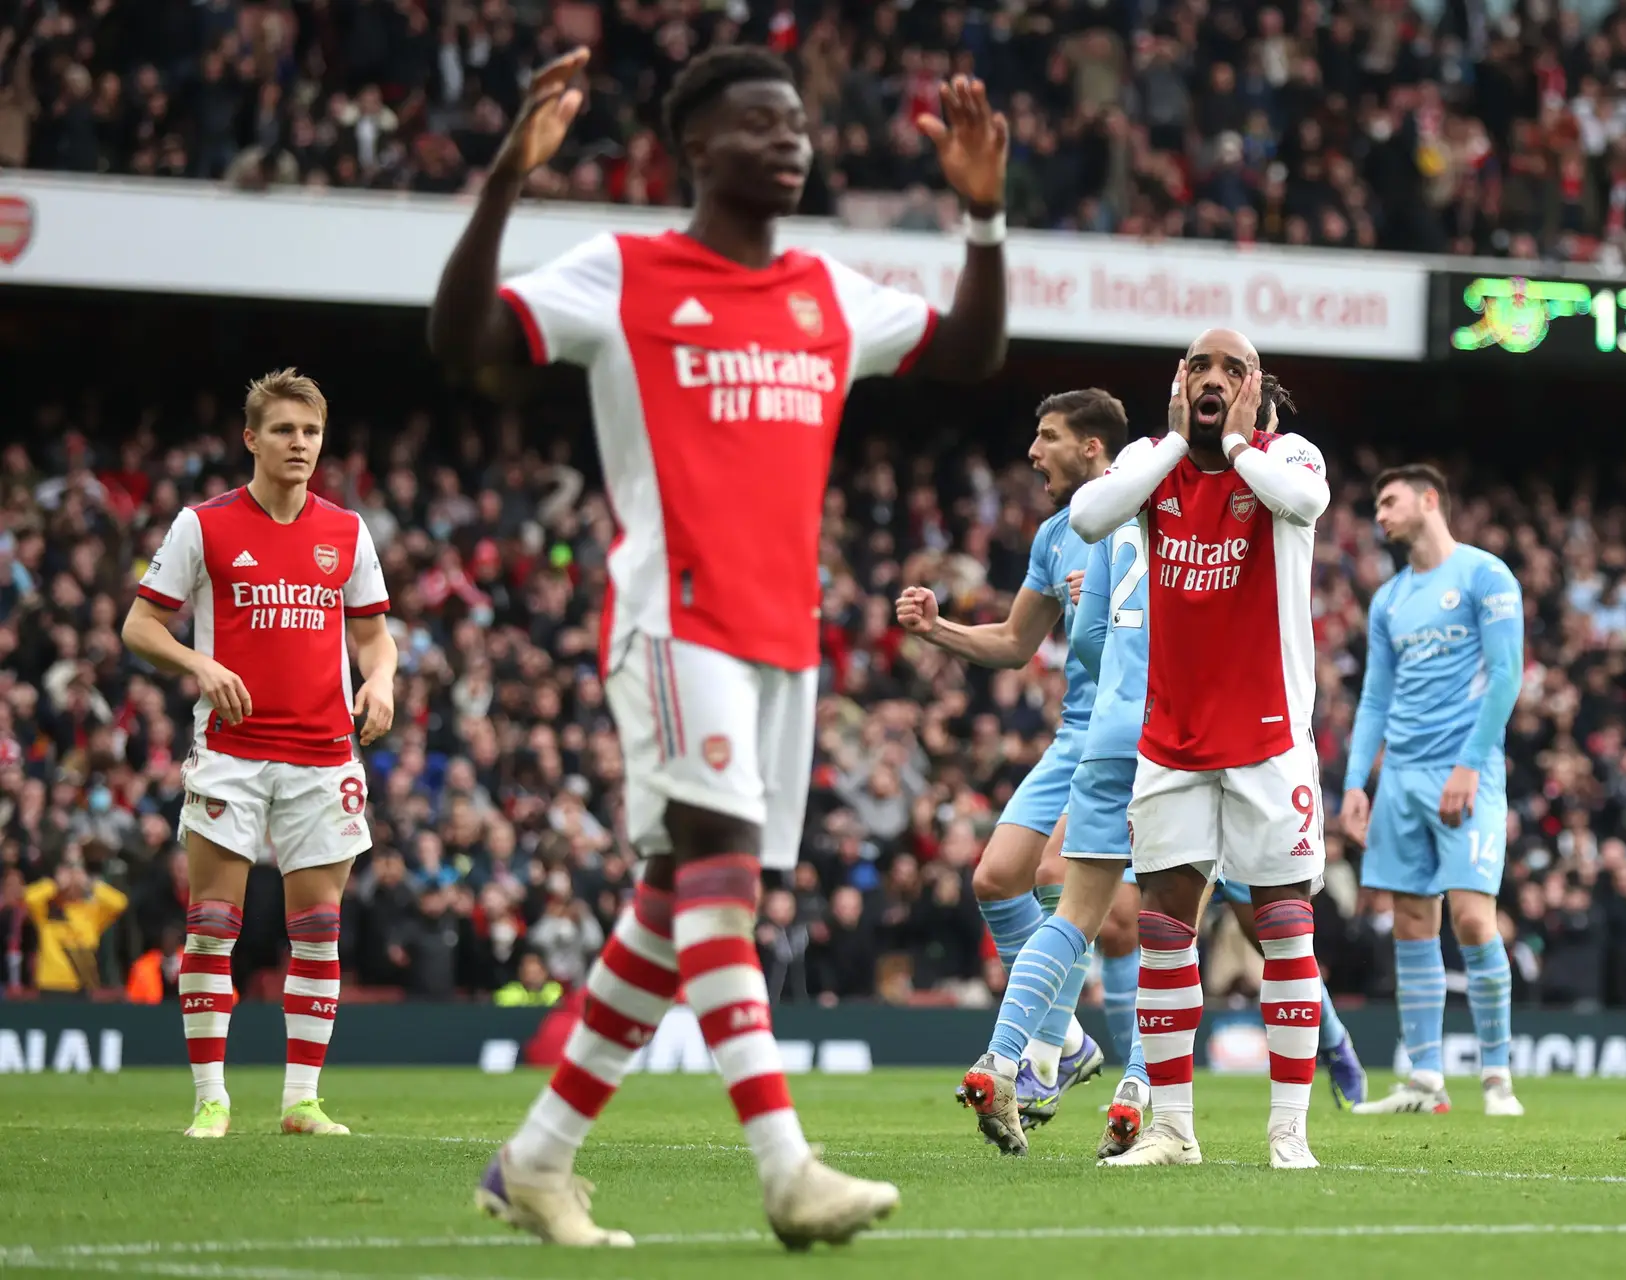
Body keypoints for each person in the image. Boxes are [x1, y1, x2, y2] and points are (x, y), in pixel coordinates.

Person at [428, 44, 1008, 1249]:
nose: (791, 140)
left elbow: (969, 354)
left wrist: (986, 218)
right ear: (698, 148)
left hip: (781, 633)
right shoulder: (627, 271)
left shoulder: (826, 290)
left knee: (668, 899)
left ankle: (534, 1162)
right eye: (761, 123)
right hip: (670, 613)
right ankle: (785, 1166)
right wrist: (504, 180)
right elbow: (463, 335)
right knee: (724, 878)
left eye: (798, 122)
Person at [1069, 329, 1331, 1171]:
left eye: (1231, 369)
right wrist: (1183, 440)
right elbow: (1086, 516)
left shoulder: (1288, 454)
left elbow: (1305, 504)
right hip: (1172, 739)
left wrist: (1238, 442)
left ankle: (1289, 1131)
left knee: (1286, 928)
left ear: (1255, 386)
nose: (1213, 379)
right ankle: (1173, 1130)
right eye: (1199, 368)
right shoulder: (1154, 461)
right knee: (1162, 932)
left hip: (1268, 737)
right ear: (1179, 382)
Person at [120, 368, 398, 1140]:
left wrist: (381, 682)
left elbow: (375, 636)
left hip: (324, 753)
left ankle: (301, 1101)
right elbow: (139, 627)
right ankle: (211, 1099)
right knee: (212, 924)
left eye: (310, 431)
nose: (299, 444)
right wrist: (198, 665)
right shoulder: (202, 526)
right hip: (232, 753)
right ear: (251, 439)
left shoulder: (346, 531)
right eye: (283, 430)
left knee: (318, 928)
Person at [896, 389, 1125, 1124]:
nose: (1032, 452)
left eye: (1048, 436)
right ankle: (1071, 1041)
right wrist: (939, 632)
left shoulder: (1148, 515)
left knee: (1061, 876)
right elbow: (1016, 643)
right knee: (996, 879)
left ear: (1091, 447)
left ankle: (1041, 1055)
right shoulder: (1057, 534)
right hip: (1075, 732)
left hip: (1138, 734)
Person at [1339, 464, 1525, 1118]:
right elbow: (1374, 700)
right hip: (1401, 781)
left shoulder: (1484, 575)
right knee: (1413, 923)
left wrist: (1472, 763)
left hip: (1465, 771)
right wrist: (1358, 782)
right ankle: (1425, 1081)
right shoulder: (1388, 599)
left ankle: (1498, 1077)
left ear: (1428, 500)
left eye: (1389, 502)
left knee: (1474, 918)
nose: (1380, 515)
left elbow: (1507, 675)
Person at [24, 860, 129, 996]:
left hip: (82, 985)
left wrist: (90, 884)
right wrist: (56, 884)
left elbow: (120, 903)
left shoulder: (91, 913)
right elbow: (29, 898)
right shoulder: (47, 911)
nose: (71, 884)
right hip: (50, 984)